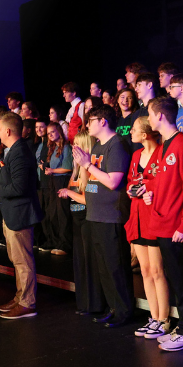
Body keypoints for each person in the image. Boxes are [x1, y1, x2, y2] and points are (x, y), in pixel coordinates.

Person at [144, 97, 183, 352]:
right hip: (162, 221)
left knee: (181, 278)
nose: (148, 118)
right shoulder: (165, 145)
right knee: (175, 278)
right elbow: (160, 180)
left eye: (149, 114)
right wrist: (149, 192)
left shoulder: (181, 145)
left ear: (160, 116)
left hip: (175, 224)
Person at [71, 106, 135, 328]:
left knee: (115, 266)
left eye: (90, 121)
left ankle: (125, 310)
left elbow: (112, 181)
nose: (87, 125)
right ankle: (114, 307)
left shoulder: (116, 145)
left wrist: (87, 165)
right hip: (95, 215)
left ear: (103, 121)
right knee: (104, 267)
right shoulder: (98, 145)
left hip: (111, 216)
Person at [0, 112, 45, 319]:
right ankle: (20, 297)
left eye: (0, 129)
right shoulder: (13, 150)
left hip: (20, 214)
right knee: (16, 259)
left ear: (8, 131)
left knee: (23, 261)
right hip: (11, 213)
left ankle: (28, 303)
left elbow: (20, 186)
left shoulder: (20, 152)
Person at [124, 116, 171, 339]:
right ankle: (153, 317)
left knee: (157, 270)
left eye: (133, 130)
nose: (130, 133)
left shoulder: (161, 153)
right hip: (138, 216)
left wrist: (147, 188)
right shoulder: (135, 155)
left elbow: (163, 183)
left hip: (155, 216)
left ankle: (164, 319)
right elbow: (131, 182)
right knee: (144, 270)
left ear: (144, 134)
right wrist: (132, 189)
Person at [58, 131, 107, 316]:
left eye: (78, 145)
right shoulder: (77, 168)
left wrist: (69, 193)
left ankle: (94, 304)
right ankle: (84, 303)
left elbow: (87, 199)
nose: (74, 149)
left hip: (87, 220)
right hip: (76, 222)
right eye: (73, 145)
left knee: (90, 263)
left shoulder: (89, 168)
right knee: (80, 263)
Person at [40, 122, 73, 255]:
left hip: (62, 180)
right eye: (48, 133)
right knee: (52, 212)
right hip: (53, 181)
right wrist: (46, 168)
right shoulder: (53, 148)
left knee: (62, 213)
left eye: (53, 132)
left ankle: (65, 244)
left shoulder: (65, 147)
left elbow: (68, 167)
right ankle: (56, 241)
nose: (51, 135)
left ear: (59, 131)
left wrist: (52, 170)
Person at [114, 88, 139, 153]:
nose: (125, 100)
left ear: (133, 101)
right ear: (118, 100)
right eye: (122, 97)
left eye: (129, 98)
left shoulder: (136, 118)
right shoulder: (115, 120)